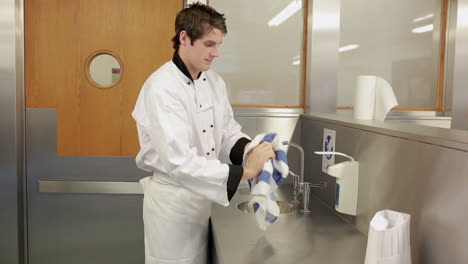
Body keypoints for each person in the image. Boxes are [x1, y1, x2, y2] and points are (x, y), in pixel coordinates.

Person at [132, 3, 276, 263]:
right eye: (210, 45)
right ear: (184, 38)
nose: (216, 53)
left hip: (203, 199)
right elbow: (178, 161)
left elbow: (227, 131)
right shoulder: (162, 87)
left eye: (219, 45)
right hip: (172, 208)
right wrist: (245, 171)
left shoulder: (214, 82)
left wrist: (249, 149)